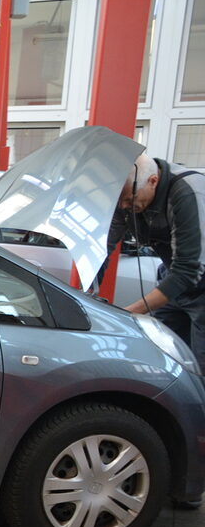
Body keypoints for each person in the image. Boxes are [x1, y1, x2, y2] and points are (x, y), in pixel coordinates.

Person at [112, 153, 205, 367]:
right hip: (174, 281)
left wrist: (131, 312)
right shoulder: (127, 196)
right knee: (163, 354)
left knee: (201, 367)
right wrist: (88, 289)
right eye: (120, 201)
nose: (124, 206)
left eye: (129, 200)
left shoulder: (187, 192)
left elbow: (188, 269)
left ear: (153, 181)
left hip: (196, 279)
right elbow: (105, 244)